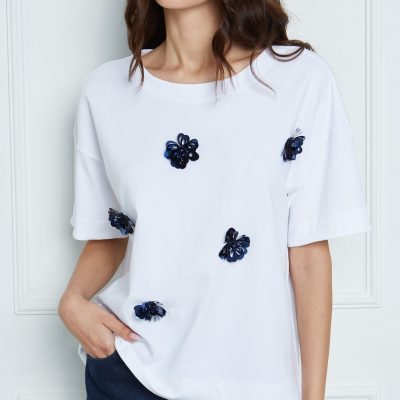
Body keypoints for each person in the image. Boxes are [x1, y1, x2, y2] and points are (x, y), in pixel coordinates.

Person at [58, 1, 372, 399]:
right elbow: (111, 232)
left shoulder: (298, 80)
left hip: (254, 381)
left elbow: (308, 251)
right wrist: (72, 302)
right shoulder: (105, 92)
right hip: (132, 374)